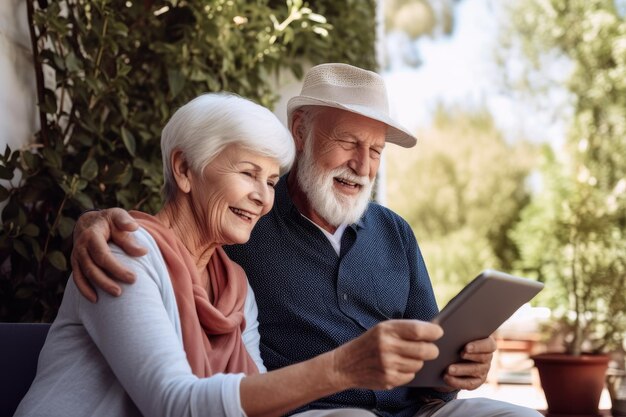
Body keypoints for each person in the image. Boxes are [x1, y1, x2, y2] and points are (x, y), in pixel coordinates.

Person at [70, 64, 543, 417]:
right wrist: (94, 222)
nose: (362, 164)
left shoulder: (236, 280)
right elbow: (168, 226)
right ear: (301, 133)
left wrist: (459, 369)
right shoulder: (232, 231)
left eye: (375, 150)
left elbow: (429, 358)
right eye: (347, 142)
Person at [14, 92, 445, 417]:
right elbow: (173, 404)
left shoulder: (234, 287)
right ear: (184, 170)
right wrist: (342, 368)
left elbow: (253, 398)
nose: (262, 198)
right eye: (248, 174)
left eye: (273, 181)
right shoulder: (123, 252)